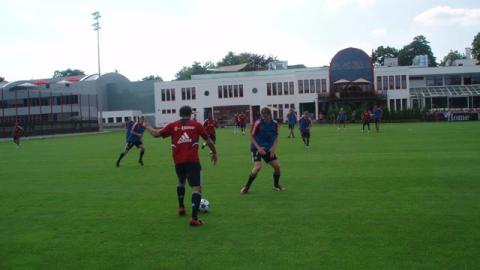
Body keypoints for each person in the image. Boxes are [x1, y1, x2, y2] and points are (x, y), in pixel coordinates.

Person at [146, 106, 217, 226]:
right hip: (192, 161)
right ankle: (194, 218)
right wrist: (214, 152)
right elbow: (209, 141)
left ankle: (181, 207)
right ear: (190, 114)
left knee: (181, 181)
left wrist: (146, 126)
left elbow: (156, 134)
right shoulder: (196, 125)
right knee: (196, 187)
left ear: (180, 114)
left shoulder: (173, 125)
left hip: (178, 161)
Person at [241, 107, 284, 194]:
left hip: (268, 148)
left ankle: (276, 185)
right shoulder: (258, 123)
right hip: (256, 147)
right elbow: (251, 136)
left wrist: (273, 149)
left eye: (265, 116)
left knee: (277, 167)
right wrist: (258, 148)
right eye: (262, 116)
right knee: (258, 167)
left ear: (269, 115)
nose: (264, 118)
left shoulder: (274, 123)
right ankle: (246, 187)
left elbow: (276, 137)